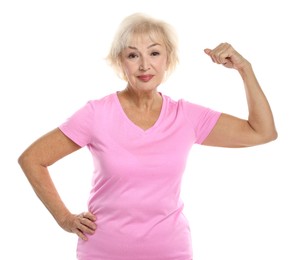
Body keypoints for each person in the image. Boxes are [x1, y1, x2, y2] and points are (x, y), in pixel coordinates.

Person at [18, 12, 277, 260]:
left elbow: (262, 132)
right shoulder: (96, 114)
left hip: (170, 251)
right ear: (120, 61)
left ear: (167, 59)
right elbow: (32, 159)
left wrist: (245, 69)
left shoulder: (185, 116)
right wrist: (65, 218)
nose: (144, 65)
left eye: (154, 53)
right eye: (133, 55)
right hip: (102, 252)